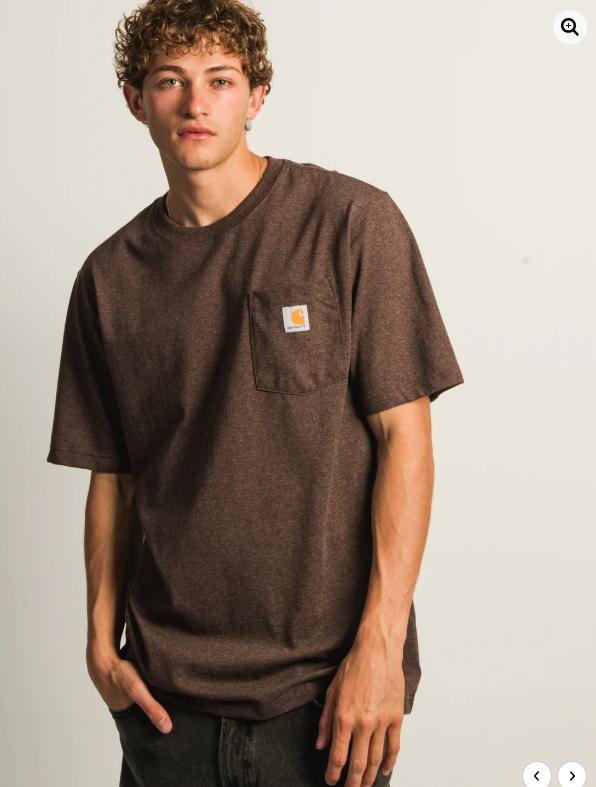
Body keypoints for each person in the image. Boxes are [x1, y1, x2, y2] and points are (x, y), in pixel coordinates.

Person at [46, 1, 464, 785]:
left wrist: (380, 646)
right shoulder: (108, 278)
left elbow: (406, 438)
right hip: (167, 708)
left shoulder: (351, 223)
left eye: (220, 79)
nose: (195, 103)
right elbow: (115, 475)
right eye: (169, 80)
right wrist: (100, 643)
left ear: (257, 95)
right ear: (136, 100)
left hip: (325, 700)